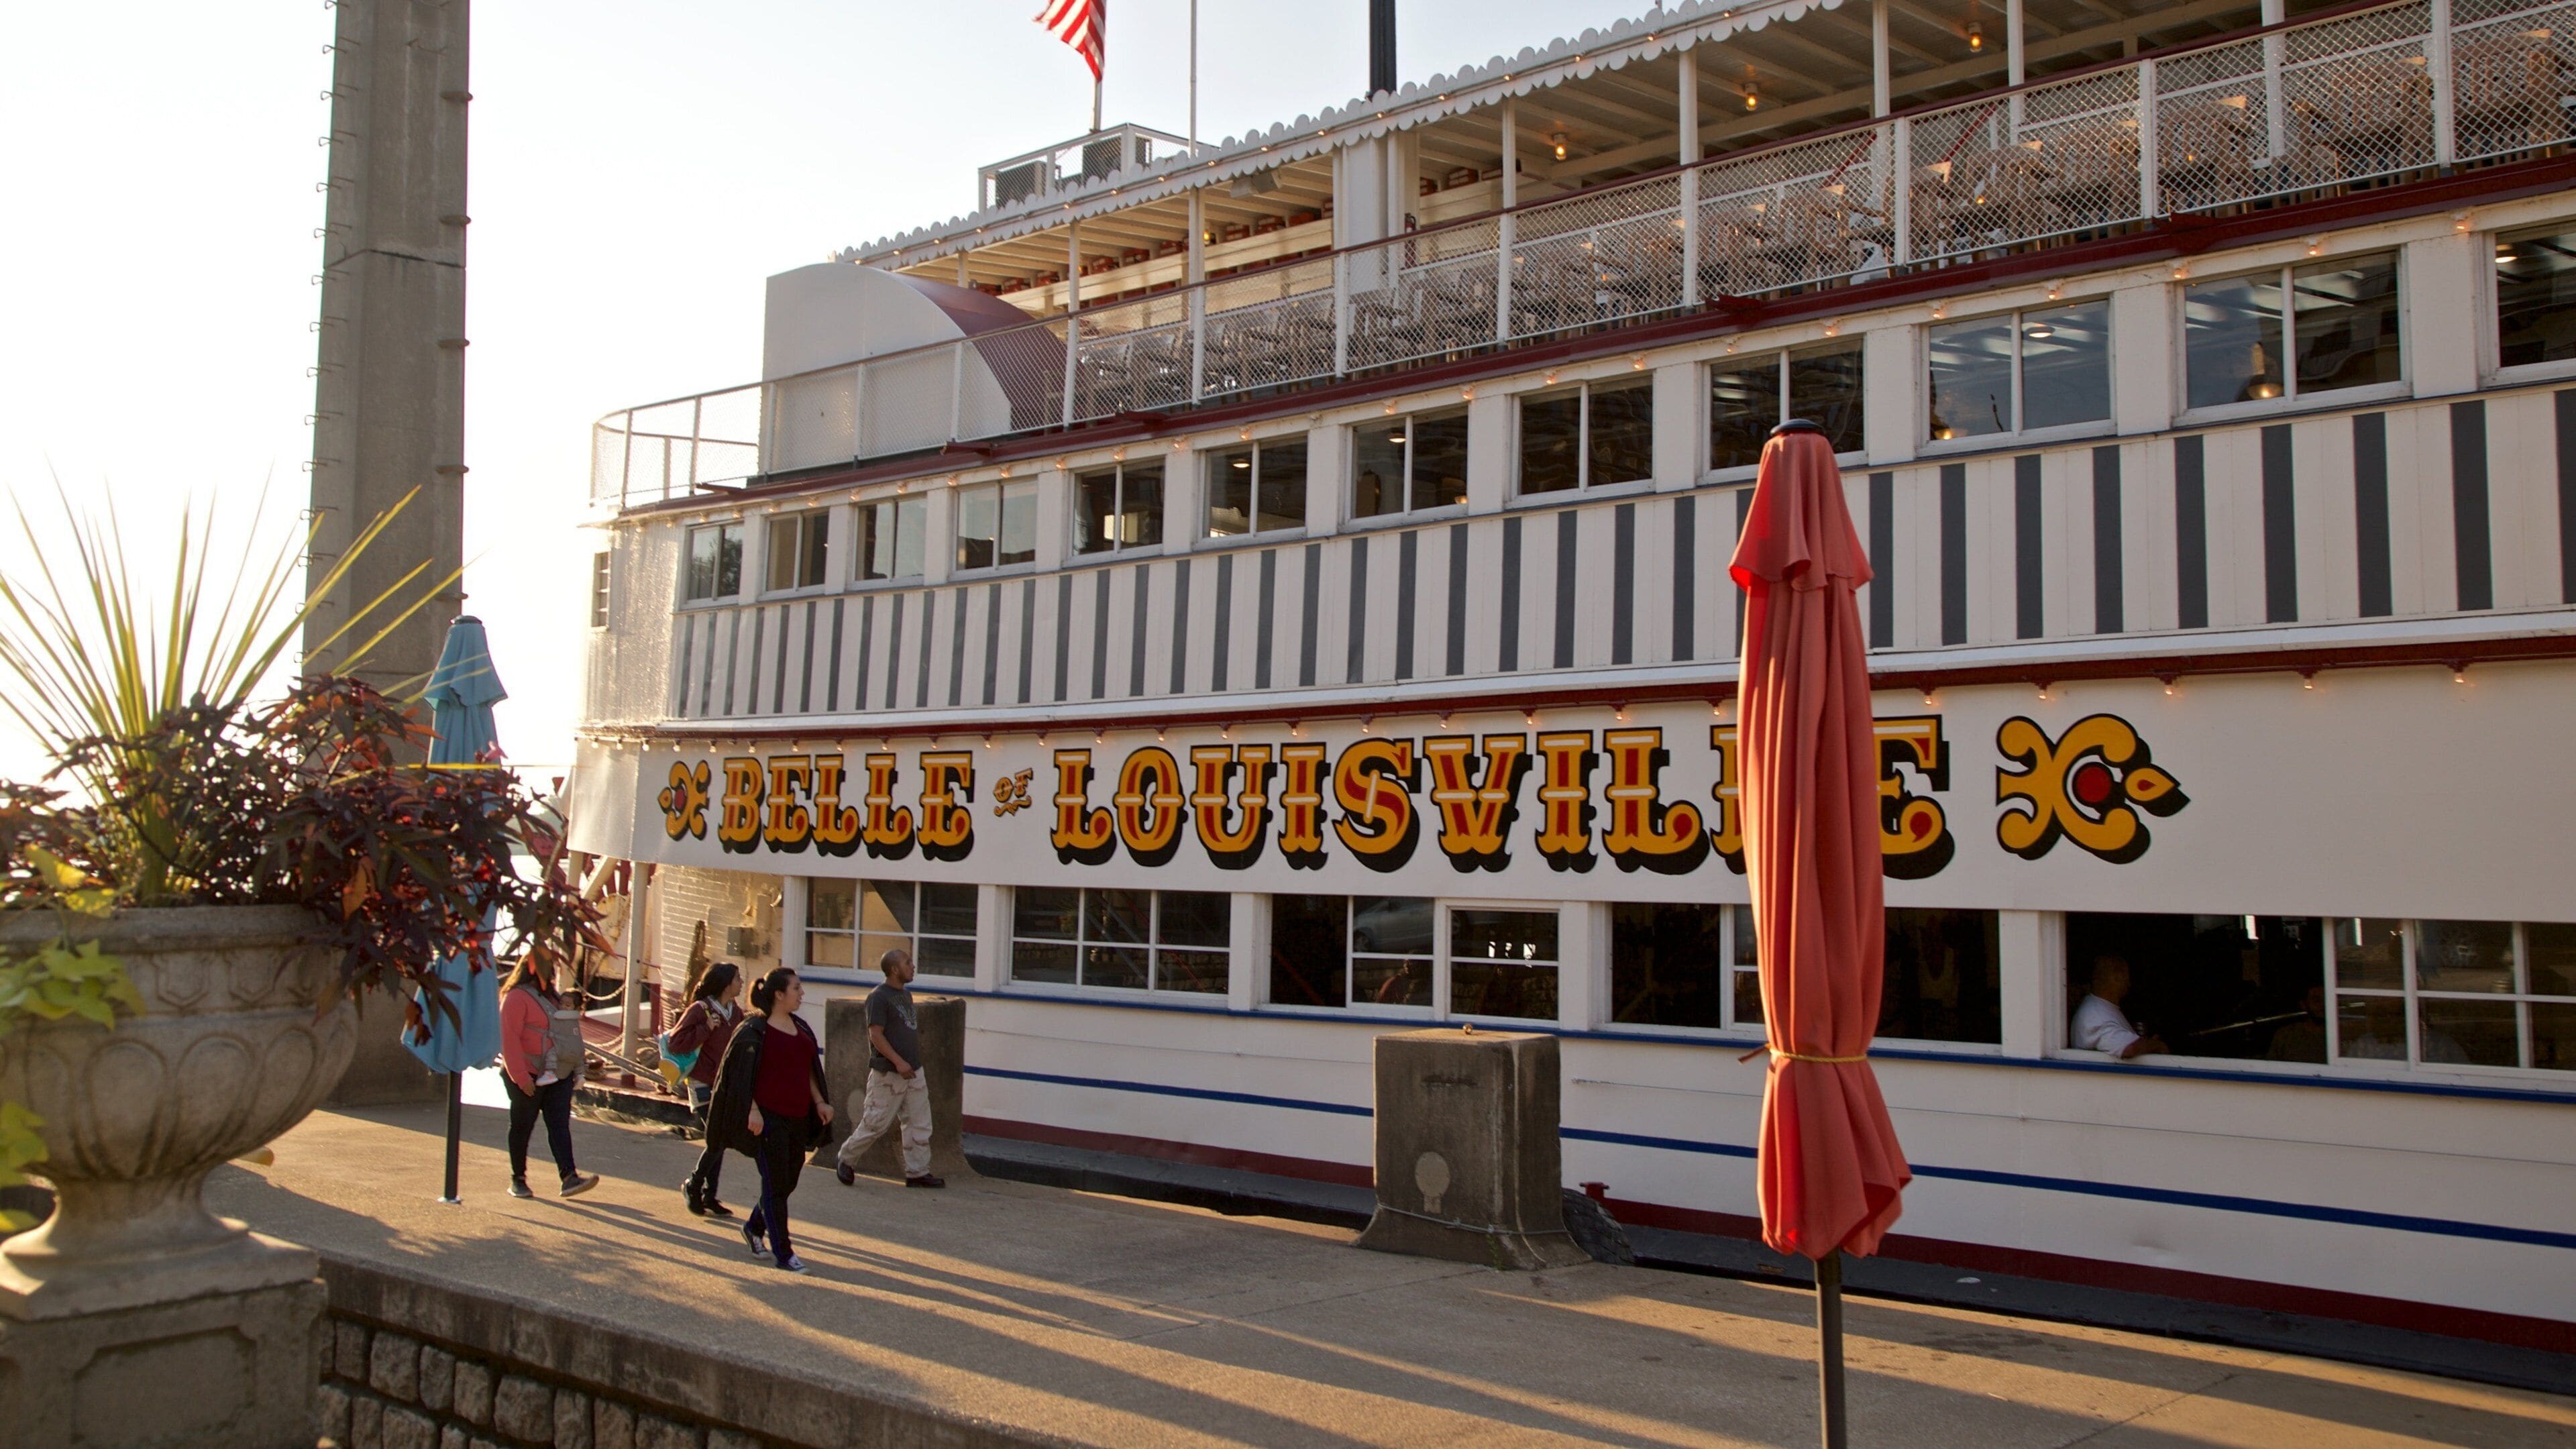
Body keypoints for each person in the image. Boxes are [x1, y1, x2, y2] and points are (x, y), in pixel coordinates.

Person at [706, 967, 833, 1272]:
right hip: (768, 1120)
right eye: (797, 988)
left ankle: (753, 1227)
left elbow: (808, 1070)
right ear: (779, 994)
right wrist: (752, 1111)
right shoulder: (753, 1031)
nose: (802, 994)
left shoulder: (800, 1027)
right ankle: (784, 1254)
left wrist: (820, 1102)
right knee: (775, 1185)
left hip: (799, 1117)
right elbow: (739, 1078)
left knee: (787, 1183)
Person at [835, 949, 945, 1189]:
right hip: (889, 1074)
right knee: (876, 1123)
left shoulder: (906, 994)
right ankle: (846, 1158)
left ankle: (918, 1172)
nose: (913, 966)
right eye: (908, 963)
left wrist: (910, 1064)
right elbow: (875, 1034)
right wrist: (898, 1062)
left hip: (914, 1072)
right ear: (894, 970)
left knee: (919, 1123)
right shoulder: (879, 997)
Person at [498, 951, 600, 1199]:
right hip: (527, 1073)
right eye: (549, 967)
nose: (553, 973)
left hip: (558, 1074)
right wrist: (522, 1079)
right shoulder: (516, 998)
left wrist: (578, 1066)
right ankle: (518, 1178)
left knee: (559, 1125)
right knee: (522, 1126)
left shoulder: (555, 998)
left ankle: (569, 1177)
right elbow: (508, 1040)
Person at [669, 961, 744, 1218]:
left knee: (720, 1140)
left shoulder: (736, 1013)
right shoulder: (700, 1010)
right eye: (737, 979)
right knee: (717, 1139)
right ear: (726, 984)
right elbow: (676, 1043)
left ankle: (709, 1195)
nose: (741, 984)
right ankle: (694, 1184)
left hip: (724, 1085)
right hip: (702, 1084)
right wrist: (705, 1029)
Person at [2070, 955, 2167, 1059]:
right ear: (2115, 979)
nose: (2129, 984)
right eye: (2125, 977)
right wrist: (2156, 1045)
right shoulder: (2094, 1014)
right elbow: (2128, 1049)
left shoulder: (2102, 1007)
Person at [2266, 984, 2330, 1063]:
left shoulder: (2341, 1034)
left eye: (2326, 1000)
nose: (2323, 1005)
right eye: (2316, 1001)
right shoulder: (2286, 1035)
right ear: (2304, 1005)